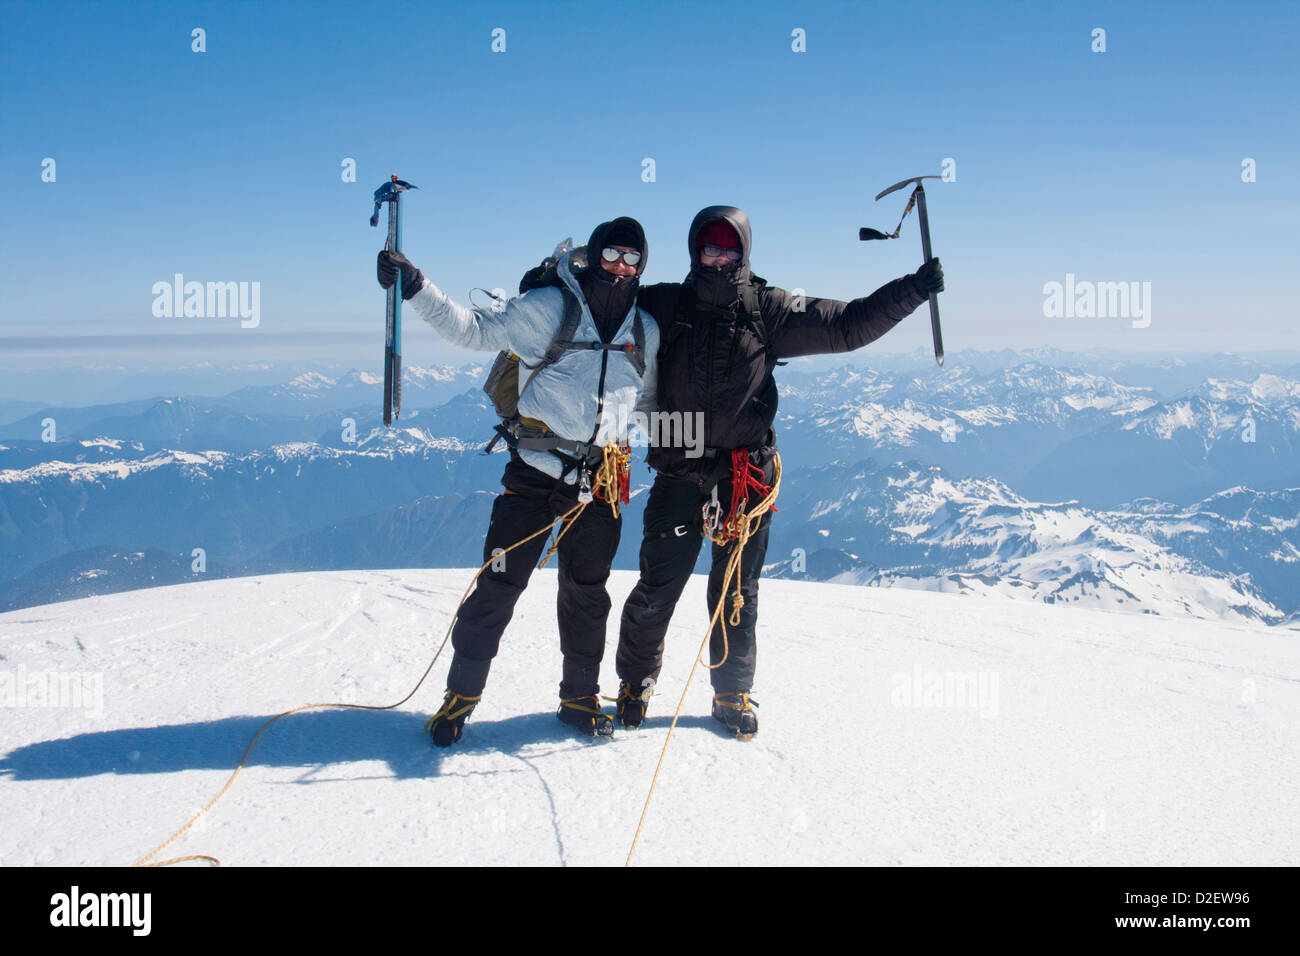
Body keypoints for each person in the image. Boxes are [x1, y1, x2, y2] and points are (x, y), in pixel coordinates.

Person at [614, 205, 942, 737]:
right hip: (681, 467)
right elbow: (605, 300)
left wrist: (912, 289)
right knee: (658, 584)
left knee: (737, 587)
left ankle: (731, 692)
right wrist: (552, 282)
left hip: (745, 472)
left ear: (744, 253)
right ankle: (635, 683)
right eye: (709, 247)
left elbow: (847, 325)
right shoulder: (665, 303)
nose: (718, 257)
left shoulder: (768, 307)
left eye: (729, 248)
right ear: (695, 250)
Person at [377, 217, 658, 744]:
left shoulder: (645, 330)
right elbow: (473, 329)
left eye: (633, 258)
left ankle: (578, 699)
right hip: (534, 475)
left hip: (599, 483)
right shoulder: (549, 310)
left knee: (588, 594)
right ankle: (459, 700)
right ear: (595, 254)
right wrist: (415, 286)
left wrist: (694, 451)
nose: (622, 266)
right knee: (499, 586)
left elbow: (647, 400)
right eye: (613, 254)